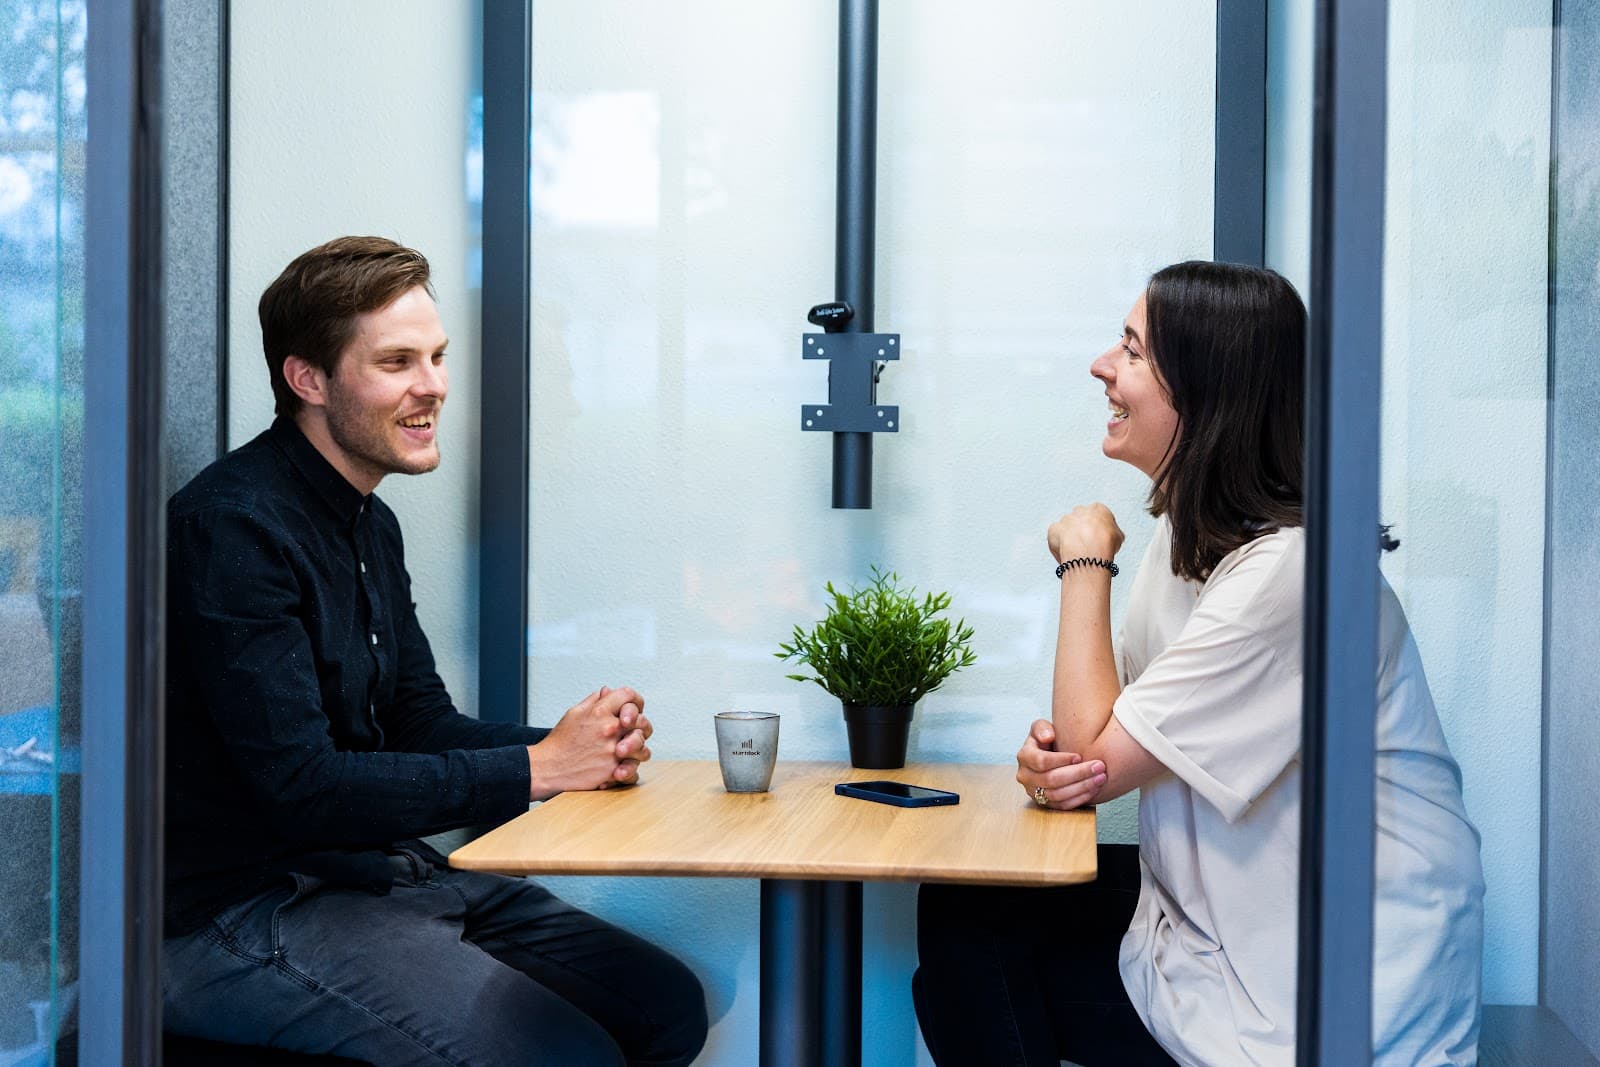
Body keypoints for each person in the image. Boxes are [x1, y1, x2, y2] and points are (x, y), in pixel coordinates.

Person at [913, 261, 1484, 1066]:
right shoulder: (1193, 533)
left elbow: (1096, 755)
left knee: (973, 957)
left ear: (1207, 393)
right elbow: (1095, 740)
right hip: (1227, 911)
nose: (1102, 366)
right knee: (965, 910)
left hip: (1325, 983)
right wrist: (1052, 765)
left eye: (1132, 351)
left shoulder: (1291, 574)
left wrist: (1084, 562)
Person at [162, 236, 708, 1066]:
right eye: (397, 361)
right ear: (309, 380)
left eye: (438, 356)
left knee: (664, 1006)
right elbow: (304, 789)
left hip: (371, 874)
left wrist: (577, 750)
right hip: (244, 910)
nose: (434, 385)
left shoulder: (369, 520)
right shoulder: (232, 527)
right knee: (563, 1055)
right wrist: (541, 768)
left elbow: (418, 722)